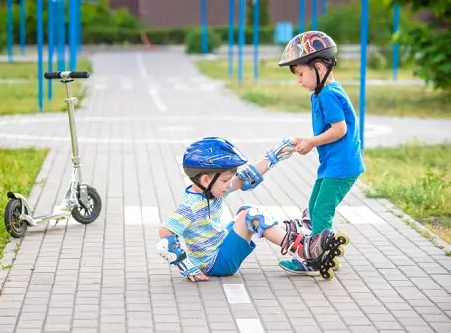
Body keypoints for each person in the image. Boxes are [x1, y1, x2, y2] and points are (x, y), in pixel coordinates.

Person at [156, 136, 348, 282]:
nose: (228, 185)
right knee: (251, 215)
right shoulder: (191, 205)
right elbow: (165, 234)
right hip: (215, 263)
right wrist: (187, 267)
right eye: (225, 181)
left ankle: (299, 241)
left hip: (220, 249)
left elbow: (244, 178)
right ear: (206, 179)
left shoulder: (212, 189)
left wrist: (275, 156)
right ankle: (305, 249)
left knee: (245, 211)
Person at [277, 30, 364, 276]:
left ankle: (316, 257)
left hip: (342, 166)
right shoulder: (321, 93)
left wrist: (312, 142)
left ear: (318, 67)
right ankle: (320, 246)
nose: (299, 80)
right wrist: (306, 141)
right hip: (333, 165)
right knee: (314, 207)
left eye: (301, 74)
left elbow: (339, 129)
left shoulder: (328, 95)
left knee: (322, 209)